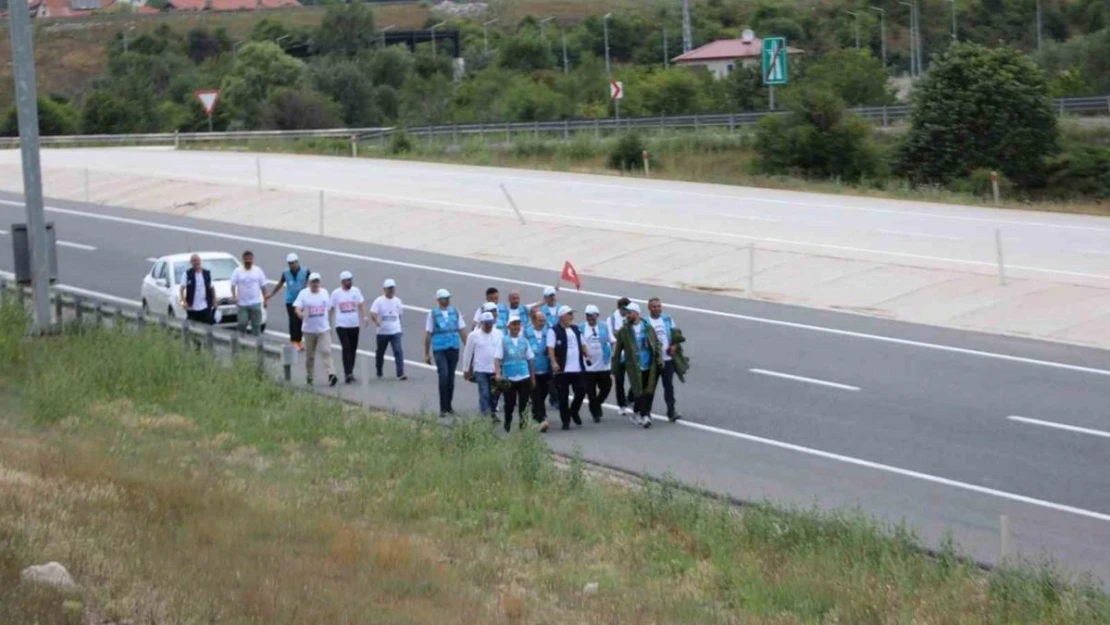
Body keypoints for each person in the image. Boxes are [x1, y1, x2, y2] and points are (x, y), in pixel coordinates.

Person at [612, 302, 659, 429]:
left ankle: (638, 412)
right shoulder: (624, 331)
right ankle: (644, 416)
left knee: (646, 391)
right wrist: (615, 366)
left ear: (636, 313)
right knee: (638, 390)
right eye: (626, 313)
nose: (627, 315)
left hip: (648, 364)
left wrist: (659, 360)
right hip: (634, 366)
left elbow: (656, 344)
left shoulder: (647, 327)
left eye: (629, 313)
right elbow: (618, 349)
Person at [425, 289, 467, 418]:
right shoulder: (433, 314)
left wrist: (468, 348)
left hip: (453, 347)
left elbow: (462, 330)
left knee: (450, 378)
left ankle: (449, 405)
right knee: (443, 375)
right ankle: (442, 407)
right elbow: (428, 334)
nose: (447, 300)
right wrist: (427, 353)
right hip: (439, 349)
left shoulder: (454, 312)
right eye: (444, 298)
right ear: (438, 300)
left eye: (448, 298)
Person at [294, 273, 338, 387]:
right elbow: (297, 308)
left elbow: (329, 308)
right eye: (313, 282)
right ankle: (309, 377)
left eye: (317, 282)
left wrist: (330, 323)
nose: (315, 284)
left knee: (326, 351)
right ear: (309, 283)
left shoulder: (324, 293)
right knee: (310, 356)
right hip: (309, 330)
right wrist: (301, 314)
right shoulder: (304, 294)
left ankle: (331, 374)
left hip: (323, 329)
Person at [546, 305, 586, 430]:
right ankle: (566, 420)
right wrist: (553, 362)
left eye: (571, 314)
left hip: (577, 368)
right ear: (562, 316)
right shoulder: (553, 331)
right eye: (569, 314)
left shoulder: (575, 329)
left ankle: (573, 410)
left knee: (581, 391)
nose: (571, 317)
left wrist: (587, 353)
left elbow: (582, 343)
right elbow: (550, 348)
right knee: (563, 397)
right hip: (563, 369)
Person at [496, 314, 535, 433]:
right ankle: (507, 422)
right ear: (509, 326)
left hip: (524, 376)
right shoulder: (503, 341)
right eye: (514, 324)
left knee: (524, 404)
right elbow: (497, 358)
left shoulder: (524, 341)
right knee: (509, 404)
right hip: (509, 377)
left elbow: (530, 360)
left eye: (518, 324)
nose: (516, 326)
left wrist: (532, 377)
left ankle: (523, 426)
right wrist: (498, 373)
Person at [463, 311, 503, 422]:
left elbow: (502, 350)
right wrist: (466, 369)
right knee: (484, 392)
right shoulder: (474, 336)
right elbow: (468, 352)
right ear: (481, 323)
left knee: (495, 393)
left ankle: (492, 412)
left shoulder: (498, 333)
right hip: (480, 369)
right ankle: (485, 414)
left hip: (495, 369)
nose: (488, 325)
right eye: (486, 323)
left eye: (490, 322)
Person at [647, 298, 683, 422]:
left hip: (667, 360)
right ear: (649, 308)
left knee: (669, 386)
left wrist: (674, 345)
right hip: (653, 362)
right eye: (654, 307)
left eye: (658, 306)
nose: (657, 309)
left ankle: (671, 411)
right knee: (650, 387)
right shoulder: (646, 322)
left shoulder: (667, 319)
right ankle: (646, 413)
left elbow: (675, 334)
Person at [265, 253, 310, 350]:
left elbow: (310, 283)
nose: (291, 265)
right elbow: (280, 284)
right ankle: (294, 341)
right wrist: (271, 294)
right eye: (289, 263)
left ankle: (299, 340)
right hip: (290, 300)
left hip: (302, 300)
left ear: (297, 262)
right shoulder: (286, 273)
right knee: (293, 321)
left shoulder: (305, 271)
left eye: (293, 263)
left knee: (301, 321)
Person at [580, 304, 615, 423]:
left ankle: (598, 403)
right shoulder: (581, 328)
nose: (589, 317)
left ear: (597, 315)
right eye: (587, 315)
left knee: (606, 387)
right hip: (588, 367)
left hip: (603, 365)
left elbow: (612, 341)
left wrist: (611, 354)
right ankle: (595, 413)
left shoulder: (604, 326)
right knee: (591, 393)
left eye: (592, 315)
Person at [329, 270, 365, 384]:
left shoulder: (356, 291)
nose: (350, 282)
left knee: (353, 349)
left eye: (351, 280)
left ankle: (351, 371)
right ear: (342, 282)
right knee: (346, 347)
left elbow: (360, 304)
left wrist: (364, 316)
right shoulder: (336, 293)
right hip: (341, 325)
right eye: (347, 280)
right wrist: (327, 322)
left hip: (354, 324)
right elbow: (331, 308)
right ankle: (347, 373)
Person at [369, 278, 406, 380]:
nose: (391, 291)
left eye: (393, 289)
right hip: (382, 332)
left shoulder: (398, 301)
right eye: (389, 289)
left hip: (395, 331)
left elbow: (399, 315)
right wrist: (377, 321)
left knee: (398, 351)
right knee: (380, 352)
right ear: (384, 289)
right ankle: (379, 370)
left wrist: (399, 327)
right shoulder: (379, 301)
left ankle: (400, 373)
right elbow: (373, 313)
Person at [525, 309, 552, 433]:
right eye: (540, 321)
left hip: (546, 369)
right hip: (532, 370)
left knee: (544, 393)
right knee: (535, 395)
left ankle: (537, 413)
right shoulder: (526, 332)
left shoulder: (548, 331)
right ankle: (541, 419)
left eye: (543, 321)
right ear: (533, 320)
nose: (542, 323)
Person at [230, 250, 267, 336]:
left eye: (250, 259)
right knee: (242, 323)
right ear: (243, 259)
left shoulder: (258, 270)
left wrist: (265, 299)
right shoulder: (237, 271)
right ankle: (241, 340)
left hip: (256, 302)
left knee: (257, 326)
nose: (248, 261)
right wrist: (234, 297)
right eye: (246, 259)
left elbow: (263, 286)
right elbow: (233, 285)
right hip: (243, 303)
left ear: (253, 259)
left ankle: (257, 345)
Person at [607, 297, 633, 415]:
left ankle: (631, 397)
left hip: (631, 353)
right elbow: (612, 335)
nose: (625, 312)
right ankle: (621, 405)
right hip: (618, 353)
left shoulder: (631, 317)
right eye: (623, 309)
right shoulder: (612, 318)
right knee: (619, 380)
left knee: (636, 378)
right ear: (619, 308)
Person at [178, 253, 214, 325]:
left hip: (205, 306)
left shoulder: (207, 273)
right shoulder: (187, 274)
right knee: (192, 327)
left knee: (208, 326)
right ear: (191, 262)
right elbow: (181, 289)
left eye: (197, 260)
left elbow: (211, 288)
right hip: (192, 307)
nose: (196, 262)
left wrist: (214, 300)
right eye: (194, 260)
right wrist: (183, 302)